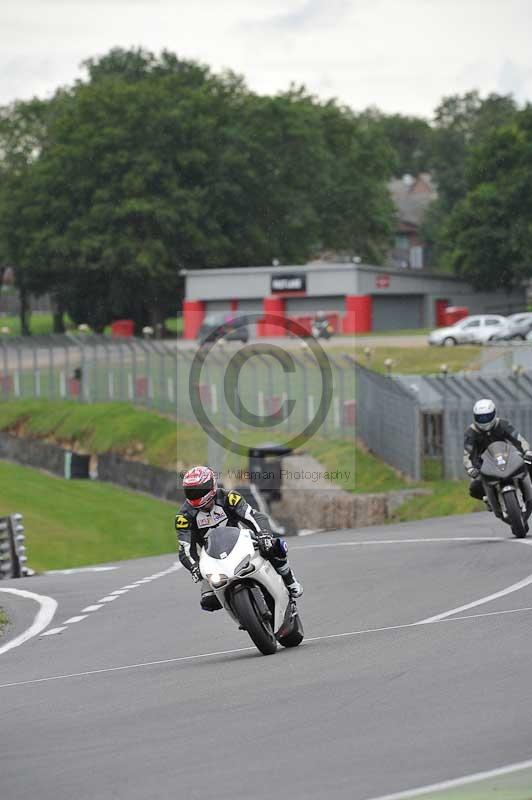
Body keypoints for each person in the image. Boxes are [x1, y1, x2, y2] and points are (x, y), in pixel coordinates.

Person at [175, 465, 303, 611]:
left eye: (198, 490)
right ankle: (242, 614)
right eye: (190, 491)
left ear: (211, 486)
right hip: (213, 557)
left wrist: (264, 534)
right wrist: (194, 568)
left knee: (273, 546)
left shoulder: (229, 498)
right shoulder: (184, 517)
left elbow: (254, 516)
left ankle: (290, 579)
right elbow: (185, 549)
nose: (194, 495)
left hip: (241, 542)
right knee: (209, 602)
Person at [464, 398, 532, 502]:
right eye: (481, 418)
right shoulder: (471, 432)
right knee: (474, 488)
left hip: (507, 457)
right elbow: (467, 453)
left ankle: (528, 487)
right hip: (483, 464)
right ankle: (490, 498)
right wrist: (470, 468)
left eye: (487, 416)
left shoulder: (502, 424)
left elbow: (518, 439)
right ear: (475, 417)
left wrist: (527, 451)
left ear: (494, 413)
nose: (484, 420)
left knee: (529, 464)